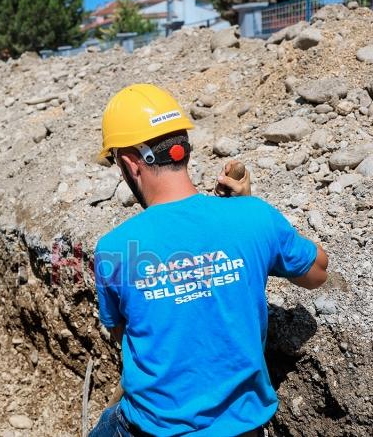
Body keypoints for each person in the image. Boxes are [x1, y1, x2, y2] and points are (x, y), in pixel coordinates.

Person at [90, 84, 329, 437]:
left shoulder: (114, 248)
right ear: (183, 147)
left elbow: (123, 332)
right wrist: (246, 212)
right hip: (245, 429)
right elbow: (318, 273)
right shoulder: (254, 217)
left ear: (129, 164)